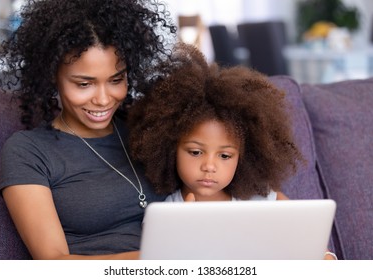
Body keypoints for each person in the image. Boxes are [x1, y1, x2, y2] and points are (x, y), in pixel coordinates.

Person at [0, 0, 176, 260]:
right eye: (84, 84)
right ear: (52, 77)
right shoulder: (28, 151)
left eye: (116, 80)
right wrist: (166, 260)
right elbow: (53, 263)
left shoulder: (147, 129)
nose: (103, 99)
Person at [127, 44, 337, 260]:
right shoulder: (165, 216)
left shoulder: (261, 199)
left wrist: (326, 256)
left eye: (225, 156)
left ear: (243, 158)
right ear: (170, 150)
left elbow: (308, 238)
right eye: (196, 152)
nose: (209, 166)